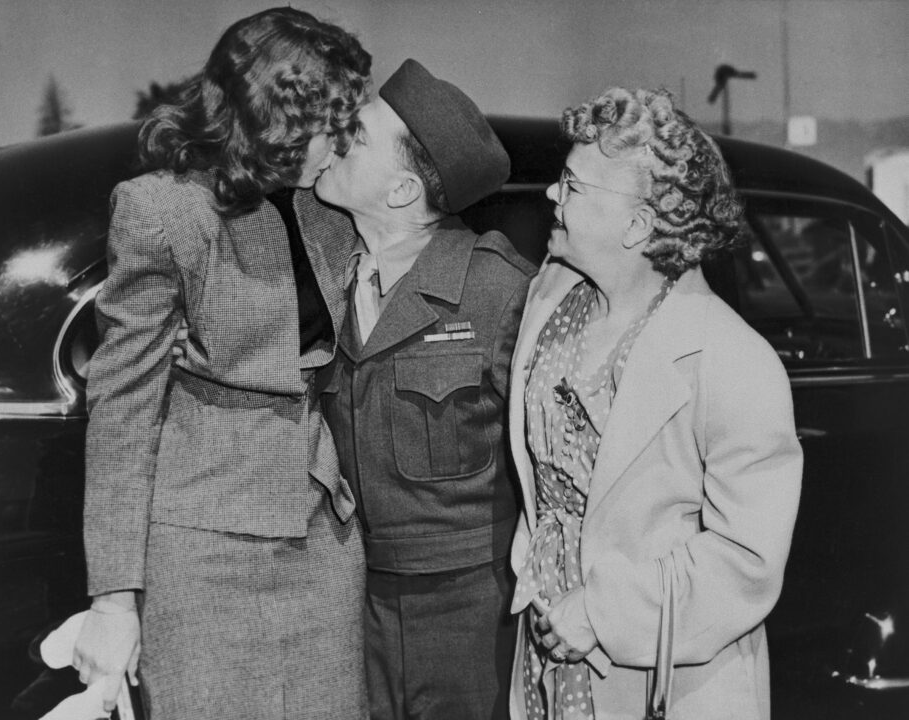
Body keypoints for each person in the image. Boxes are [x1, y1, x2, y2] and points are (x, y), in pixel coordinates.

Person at [72, 9, 371, 720]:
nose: (343, 142)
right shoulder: (163, 211)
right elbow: (122, 411)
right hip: (202, 557)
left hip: (323, 543)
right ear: (283, 119)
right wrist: (114, 601)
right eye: (333, 123)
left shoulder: (328, 205)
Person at [508, 87, 802, 719]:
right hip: (547, 649)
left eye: (574, 185)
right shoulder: (550, 299)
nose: (552, 196)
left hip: (664, 677)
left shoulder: (733, 360)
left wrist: (599, 611)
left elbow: (746, 562)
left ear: (638, 225)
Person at [314, 59, 534, 720]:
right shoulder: (325, 278)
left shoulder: (497, 292)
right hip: (353, 599)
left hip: (469, 612)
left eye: (356, 137)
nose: (336, 139)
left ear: (404, 190)